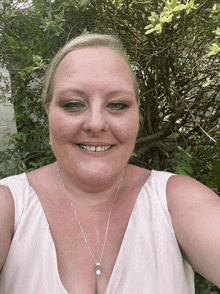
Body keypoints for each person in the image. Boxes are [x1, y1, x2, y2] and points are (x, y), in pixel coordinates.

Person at [0, 33, 219, 294]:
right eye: (72, 104)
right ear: (49, 111)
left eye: (117, 104)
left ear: (137, 113)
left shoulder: (178, 200)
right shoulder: (8, 207)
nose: (95, 124)